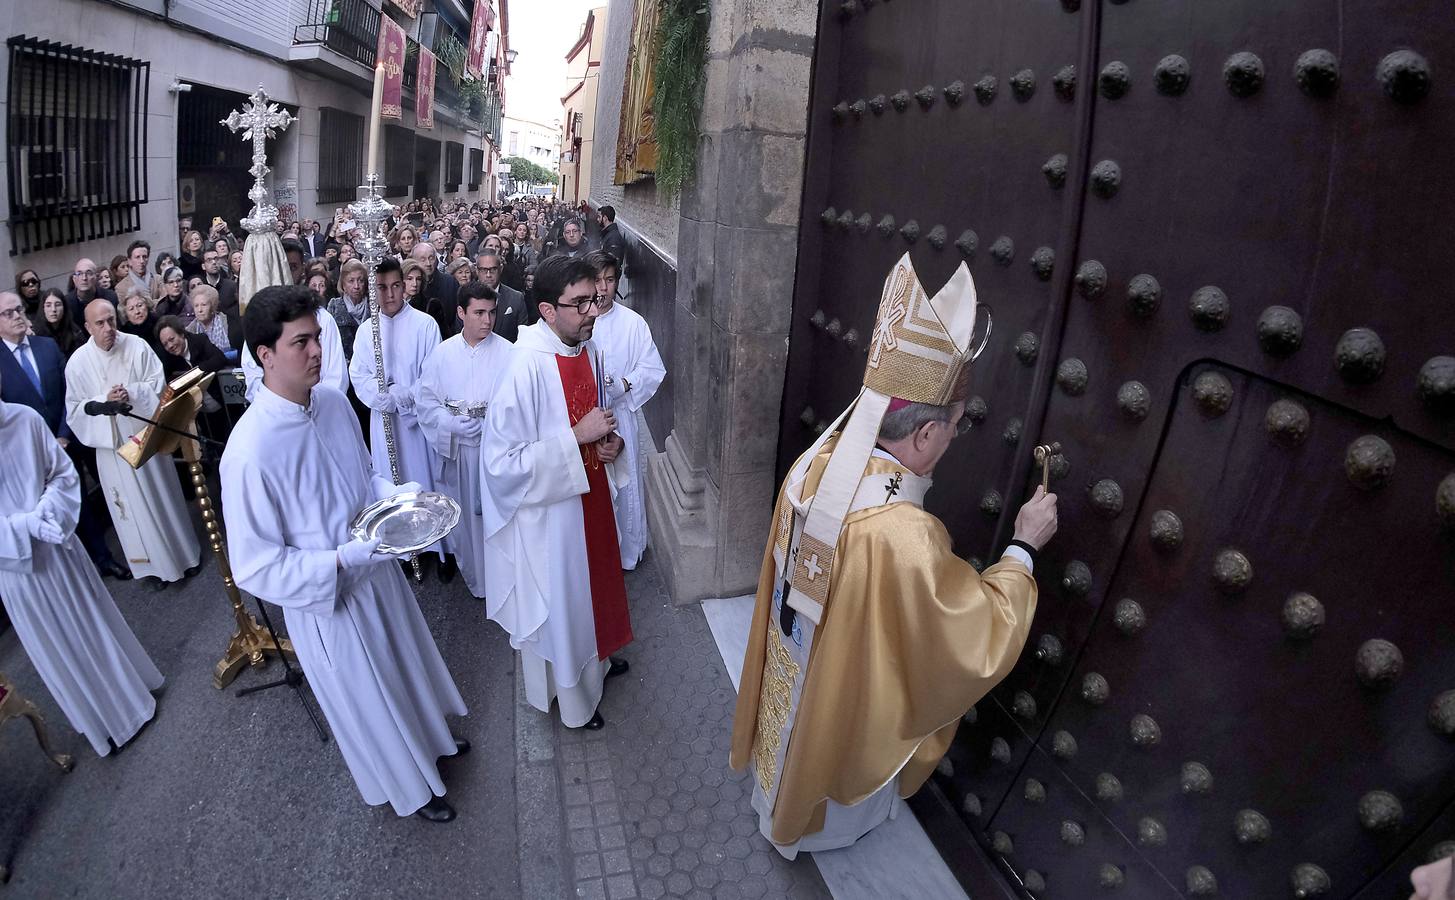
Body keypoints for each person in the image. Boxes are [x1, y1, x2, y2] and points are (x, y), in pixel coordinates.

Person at [729, 254, 1058, 858]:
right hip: (840, 697)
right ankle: (820, 826)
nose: (954, 436)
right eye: (954, 425)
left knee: (791, 714)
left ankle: (777, 802)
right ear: (926, 434)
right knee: (837, 730)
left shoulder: (814, 467)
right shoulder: (904, 533)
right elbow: (968, 633)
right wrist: (1023, 549)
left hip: (794, 656)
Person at [221, 284, 468, 822]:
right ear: (264, 355)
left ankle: (434, 746)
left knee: (406, 668)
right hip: (330, 604)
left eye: (318, 338)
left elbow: (362, 478)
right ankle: (413, 789)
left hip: (377, 575)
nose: (318, 352)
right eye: (301, 342)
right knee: (372, 700)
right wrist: (337, 561)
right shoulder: (249, 452)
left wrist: (399, 499)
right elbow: (256, 564)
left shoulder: (332, 402)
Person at [481, 255, 631, 731]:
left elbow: (600, 418)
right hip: (553, 521)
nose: (593, 310)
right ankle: (574, 699)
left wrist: (612, 444)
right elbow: (500, 466)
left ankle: (600, 663)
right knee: (566, 604)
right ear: (547, 310)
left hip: (593, 504)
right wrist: (576, 440)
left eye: (596, 298)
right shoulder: (523, 369)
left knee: (596, 591)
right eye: (581, 302)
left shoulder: (585, 349)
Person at [0, 383, 163, 756]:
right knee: (62, 646)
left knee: (91, 626)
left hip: (58, 547)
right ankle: (103, 722)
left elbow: (62, 474)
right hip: (19, 572)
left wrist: (47, 510)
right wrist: (22, 527)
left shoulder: (25, 420)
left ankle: (131, 700)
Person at [65, 299, 202, 590]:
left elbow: (158, 384)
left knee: (163, 499)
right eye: (100, 323)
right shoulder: (77, 363)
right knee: (131, 511)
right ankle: (152, 569)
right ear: (88, 327)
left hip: (147, 440)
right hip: (114, 450)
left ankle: (184, 556)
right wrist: (105, 402)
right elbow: (75, 410)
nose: (108, 328)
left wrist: (132, 393)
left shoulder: (137, 345)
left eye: (111, 320)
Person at [415, 283, 515, 597]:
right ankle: (479, 580)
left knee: (502, 518)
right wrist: (449, 424)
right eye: (479, 312)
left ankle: (509, 579)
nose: (488, 320)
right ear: (461, 313)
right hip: (460, 453)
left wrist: (496, 426)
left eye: (492, 312)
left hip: (497, 452)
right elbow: (426, 401)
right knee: (468, 521)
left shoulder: (509, 353)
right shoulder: (442, 355)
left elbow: (522, 403)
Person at [349, 258, 444, 564]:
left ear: (405, 287)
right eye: (381, 287)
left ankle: (435, 548)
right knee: (392, 480)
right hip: (384, 421)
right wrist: (382, 398)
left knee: (423, 479)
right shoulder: (367, 332)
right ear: (372, 290)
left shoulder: (424, 325)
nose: (389, 294)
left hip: (418, 422)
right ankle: (402, 549)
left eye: (395, 286)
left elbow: (433, 375)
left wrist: (404, 396)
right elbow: (359, 376)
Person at [582, 251, 665, 569]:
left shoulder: (633, 323)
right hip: (585, 423)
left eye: (609, 279)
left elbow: (652, 368)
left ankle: (626, 553)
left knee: (625, 487)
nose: (603, 288)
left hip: (621, 419)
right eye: (597, 279)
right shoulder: (578, 321)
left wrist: (625, 384)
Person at [476, 249, 527, 343]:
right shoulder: (466, 297)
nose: (488, 275)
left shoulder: (516, 298)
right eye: (484, 270)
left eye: (493, 269)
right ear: (477, 271)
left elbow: (523, 338)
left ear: (501, 269)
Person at [410, 243, 459, 338]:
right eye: (422, 259)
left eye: (431, 258)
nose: (428, 263)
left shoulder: (450, 282)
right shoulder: (409, 286)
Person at [327, 259, 370, 360]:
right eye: (351, 281)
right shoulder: (335, 307)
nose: (356, 286)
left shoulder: (374, 306)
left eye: (361, 280)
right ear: (343, 284)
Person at [186, 284, 241, 360]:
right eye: (196, 306)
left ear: (212, 306)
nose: (200, 310)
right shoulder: (190, 330)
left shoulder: (229, 322)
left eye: (204, 305)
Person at [33, 288, 86, 358]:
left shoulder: (76, 333)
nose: (53, 309)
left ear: (64, 308)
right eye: (48, 305)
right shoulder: (36, 336)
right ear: (43, 308)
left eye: (57, 305)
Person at [66, 258, 117, 322]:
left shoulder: (110, 297)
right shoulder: (66, 303)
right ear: (74, 279)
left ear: (96, 277)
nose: (84, 278)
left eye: (88, 273)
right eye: (79, 274)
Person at [118, 288, 162, 356]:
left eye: (140, 305)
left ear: (147, 305)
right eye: (131, 309)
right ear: (125, 314)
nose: (137, 311)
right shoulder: (124, 334)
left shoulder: (160, 323)